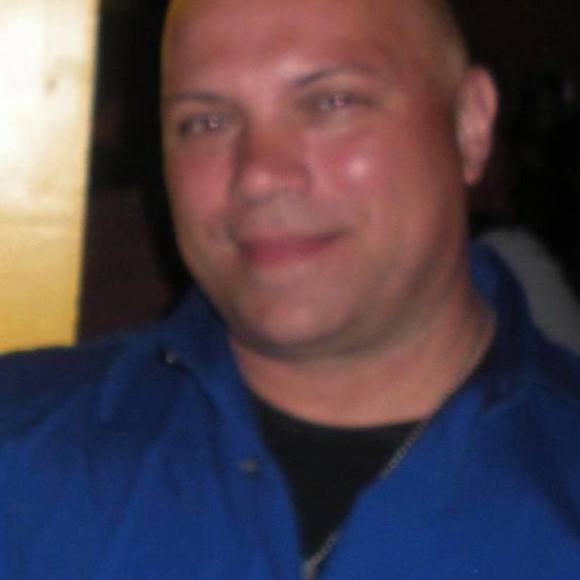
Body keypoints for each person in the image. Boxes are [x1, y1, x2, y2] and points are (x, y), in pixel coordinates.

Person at [2, 0, 580, 578]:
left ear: (468, 126)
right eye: (206, 122)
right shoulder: (21, 449)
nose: (259, 175)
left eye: (332, 102)